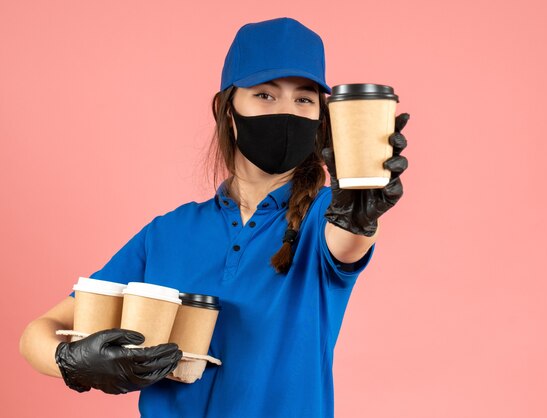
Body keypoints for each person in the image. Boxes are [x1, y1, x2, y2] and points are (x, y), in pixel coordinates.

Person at [19, 17, 409, 417]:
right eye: (265, 95)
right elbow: (37, 334)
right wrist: (75, 363)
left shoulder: (326, 219)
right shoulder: (168, 234)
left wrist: (359, 218)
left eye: (305, 99)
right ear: (225, 108)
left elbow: (346, 243)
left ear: (321, 119)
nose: (287, 111)